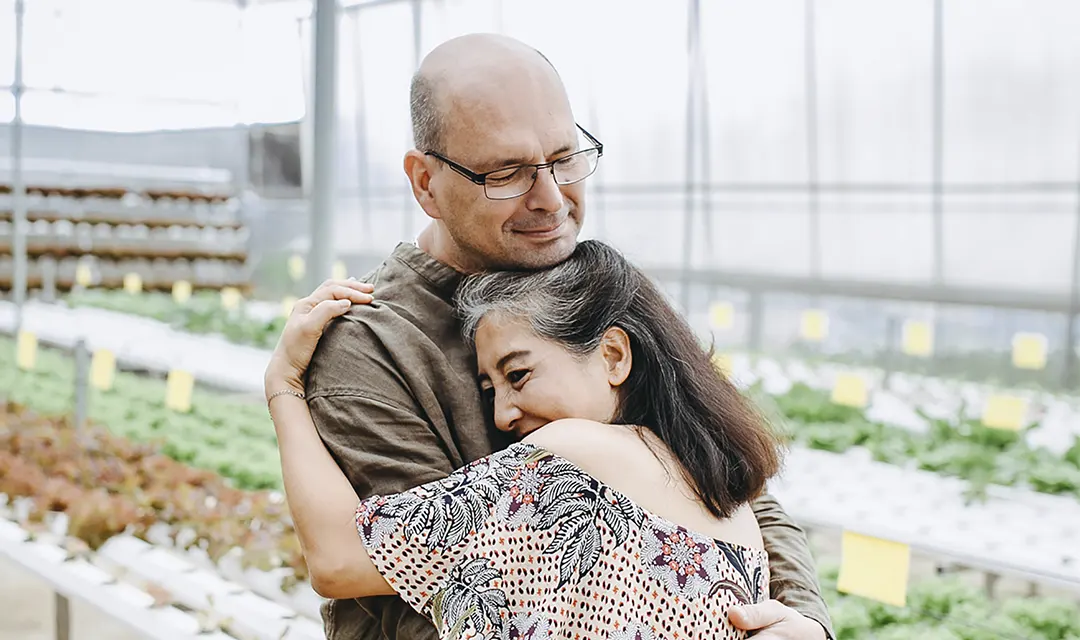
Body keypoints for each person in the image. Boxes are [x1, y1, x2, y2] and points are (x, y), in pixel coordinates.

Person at [298, 33, 833, 640]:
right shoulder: (370, 342)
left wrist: (804, 623)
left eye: (564, 158)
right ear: (424, 183)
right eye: (507, 173)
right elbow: (416, 586)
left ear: (613, 354)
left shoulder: (585, 284)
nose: (551, 199)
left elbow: (723, 470)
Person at [268, 240, 786, 640]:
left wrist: (284, 387)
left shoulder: (572, 461)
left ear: (612, 356)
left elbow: (339, 560)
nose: (503, 412)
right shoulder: (734, 511)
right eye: (489, 388)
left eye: (518, 375)